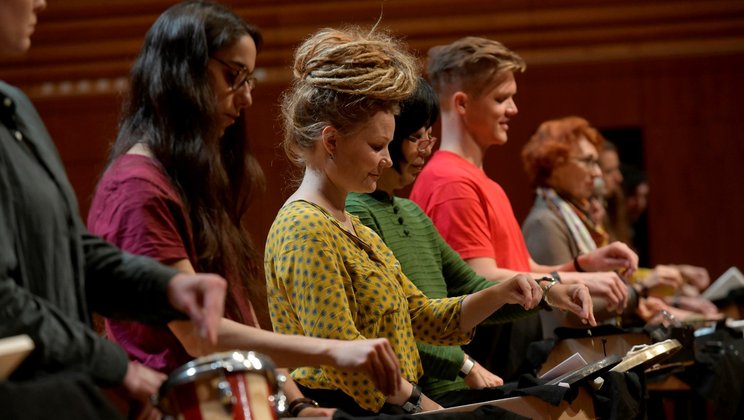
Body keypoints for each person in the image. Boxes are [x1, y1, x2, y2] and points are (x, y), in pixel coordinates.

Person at [86, 2, 402, 418]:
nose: (248, 96)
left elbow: (242, 316)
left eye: (250, 79)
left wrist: (296, 403)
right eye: (233, 76)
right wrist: (336, 351)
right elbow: (204, 335)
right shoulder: (137, 186)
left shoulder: (191, 180)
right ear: (181, 75)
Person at [265, 27, 583, 416]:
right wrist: (424, 405)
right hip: (358, 411)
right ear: (330, 142)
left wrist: (503, 292)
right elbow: (345, 358)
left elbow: (423, 317)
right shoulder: (304, 227)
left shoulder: (350, 224)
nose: (386, 160)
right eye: (376, 146)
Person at [0, 1, 227, 419]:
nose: (40, 2)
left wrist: (163, 288)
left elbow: (71, 250)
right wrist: (113, 367)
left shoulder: (15, 107)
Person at [345, 79, 595, 406]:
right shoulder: (356, 211)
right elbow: (390, 323)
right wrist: (462, 364)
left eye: (428, 135)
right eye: (415, 137)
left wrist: (551, 291)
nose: (426, 147)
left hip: (450, 388)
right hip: (411, 395)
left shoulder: (411, 212)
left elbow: (471, 286)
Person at [409, 37, 637, 379]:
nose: (514, 109)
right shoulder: (451, 182)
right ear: (461, 103)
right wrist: (562, 284)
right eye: (502, 99)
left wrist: (582, 267)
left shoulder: (482, 180)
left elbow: (520, 268)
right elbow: (480, 280)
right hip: (490, 367)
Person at [519, 116, 717, 332]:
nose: (596, 174)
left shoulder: (574, 216)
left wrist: (640, 300)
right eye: (588, 162)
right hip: (569, 356)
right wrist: (640, 291)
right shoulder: (544, 222)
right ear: (554, 164)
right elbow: (569, 310)